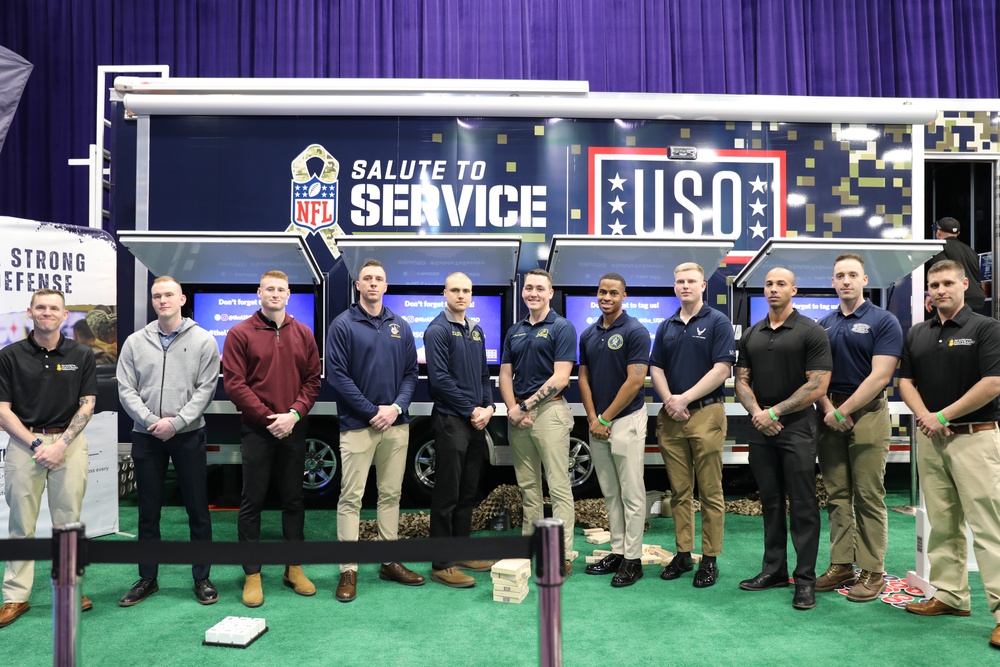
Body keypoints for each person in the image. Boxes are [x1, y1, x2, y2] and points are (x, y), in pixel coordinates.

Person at [898, 259, 1000, 650]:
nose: (939, 290)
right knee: (942, 522)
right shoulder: (918, 333)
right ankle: (950, 596)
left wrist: (943, 415)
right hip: (932, 439)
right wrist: (926, 417)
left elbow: (992, 383)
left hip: (975, 437)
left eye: (946, 283)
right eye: (933, 285)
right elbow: (905, 381)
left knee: (989, 528)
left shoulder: (986, 328)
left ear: (963, 284)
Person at [116, 276, 220, 607]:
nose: (163, 300)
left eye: (169, 295)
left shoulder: (203, 340)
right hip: (146, 436)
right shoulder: (135, 342)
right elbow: (125, 388)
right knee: (147, 511)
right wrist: (150, 421)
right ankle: (148, 577)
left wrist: (176, 423)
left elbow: (207, 389)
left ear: (182, 299)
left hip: (188, 434)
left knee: (197, 510)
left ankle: (202, 577)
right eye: (157, 296)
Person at [222, 270, 321, 608]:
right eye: (269, 289)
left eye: (281, 289)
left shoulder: (304, 333)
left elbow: (312, 382)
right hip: (257, 431)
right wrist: (269, 419)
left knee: (294, 500)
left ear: (289, 294)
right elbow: (234, 384)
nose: (275, 294)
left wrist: (293, 415)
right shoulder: (239, 333)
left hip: (294, 428)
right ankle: (252, 573)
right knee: (253, 501)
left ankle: (294, 568)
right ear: (259, 293)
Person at [326, 259, 424, 602]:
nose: (372, 284)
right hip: (358, 425)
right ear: (358, 285)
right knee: (351, 497)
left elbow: (411, 373)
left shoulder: (401, 325)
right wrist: (371, 412)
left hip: (396, 425)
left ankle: (388, 560)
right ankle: (347, 569)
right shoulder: (342, 324)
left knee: (391, 495)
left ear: (386, 285)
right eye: (367, 278)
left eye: (378, 279)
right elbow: (337, 376)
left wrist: (395, 407)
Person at [734, 267, 831, 611]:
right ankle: (773, 570)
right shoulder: (752, 333)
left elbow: (818, 385)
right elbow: (741, 380)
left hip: (797, 429)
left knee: (803, 506)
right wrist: (760, 414)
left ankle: (804, 581)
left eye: (780, 284)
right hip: (761, 430)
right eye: (769, 284)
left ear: (794, 289)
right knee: (771, 502)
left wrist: (774, 413)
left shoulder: (811, 331)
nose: (773, 289)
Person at [0, 288, 97, 627]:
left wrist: (60, 444)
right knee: (20, 523)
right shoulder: (9, 356)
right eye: (40, 307)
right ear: (30, 313)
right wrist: (38, 445)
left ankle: (69, 589)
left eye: (53, 307)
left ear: (64, 314)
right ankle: (15, 597)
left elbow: (87, 404)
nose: (46, 312)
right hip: (25, 444)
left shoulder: (82, 353)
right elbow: (2, 410)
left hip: (69, 445)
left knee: (67, 523)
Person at [814, 254, 902, 602]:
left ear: (865, 279)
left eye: (852, 274)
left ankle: (872, 570)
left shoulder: (884, 321)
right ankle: (841, 564)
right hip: (830, 413)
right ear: (833, 283)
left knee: (868, 495)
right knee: (837, 495)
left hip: (866, 413)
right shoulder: (823, 324)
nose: (846, 280)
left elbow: (881, 375)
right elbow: (815, 377)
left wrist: (843, 410)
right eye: (839, 276)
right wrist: (828, 409)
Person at [650, 262, 735, 588]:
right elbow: (656, 367)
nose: (685, 286)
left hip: (705, 413)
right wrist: (671, 399)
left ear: (703, 286)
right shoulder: (667, 325)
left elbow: (722, 369)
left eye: (691, 281)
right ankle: (684, 553)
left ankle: (709, 559)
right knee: (680, 491)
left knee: (710, 491)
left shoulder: (717, 321)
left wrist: (684, 398)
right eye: (680, 281)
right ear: (675, 287)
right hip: (672, 417)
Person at [500, 269, 577, 574]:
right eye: (528, 288)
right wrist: (513, 409)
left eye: (539, 288)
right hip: (519, 415)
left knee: (558, 486)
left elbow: (561, 377)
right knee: (528, 486)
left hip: (550, 413)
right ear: (523, 293)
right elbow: (505, 374)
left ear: (550, 292)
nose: (533, 293)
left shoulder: (562, 327)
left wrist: (527, 405)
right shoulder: (514, 330)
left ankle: (563, 554)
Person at [425, 272, 496, 587]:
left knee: (468, 492)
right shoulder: (437, 330)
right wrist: (471, 410)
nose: (461, 295)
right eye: (455, 290)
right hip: (451, 420)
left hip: (476, 422)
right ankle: (441, 564)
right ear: (445, 293)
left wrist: (489, 408)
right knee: (447, 495)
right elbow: (439, 382)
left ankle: (462, 551)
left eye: (466, 291)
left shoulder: (476, 331)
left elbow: (484, 376)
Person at [579, 273, 650, 587]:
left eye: (613, 293)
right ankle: (619, 551)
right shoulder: (589, 333)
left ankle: (633, 561)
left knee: (632, 493)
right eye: (602, 292)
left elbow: (635, 381)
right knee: (610, 492)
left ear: (624, 295)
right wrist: (594, 418)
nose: (606, 297)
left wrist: (605, 419)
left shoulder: (635, 331)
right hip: (599, 423)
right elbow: (583, 378)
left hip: (625, 421)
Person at [924, 217, 987, 316]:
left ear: (939, 232)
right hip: (978, 299)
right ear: (957, 234)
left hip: (959, 299)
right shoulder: (970, 250)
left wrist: (929, 294)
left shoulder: (938, 247)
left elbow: (942, 274)